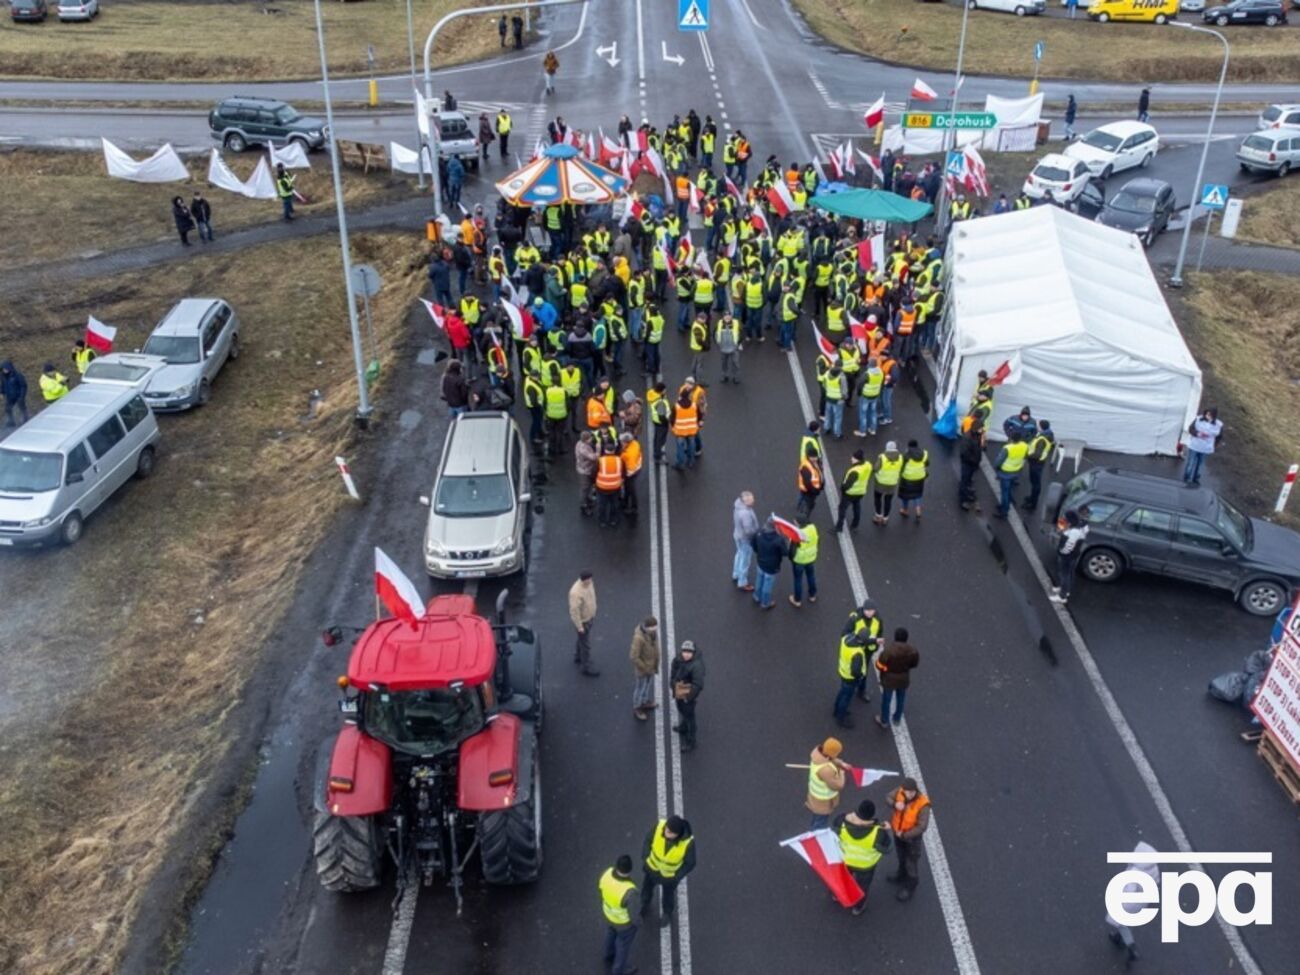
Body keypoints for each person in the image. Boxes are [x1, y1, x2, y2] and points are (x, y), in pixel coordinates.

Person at [835, 800, 893, 916]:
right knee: (862, 887)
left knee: (843, 879)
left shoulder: (842, 822)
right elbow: (888, 848)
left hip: (845, 860)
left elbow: (834, 826)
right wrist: (887, 831)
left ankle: (838, 895)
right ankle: (858, 907)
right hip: (865, 867)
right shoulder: (878, 832)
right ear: (872, 816)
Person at [1105, 842, 1159, 964]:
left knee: (1120, 922)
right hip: (1142, 901)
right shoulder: (1153, 868)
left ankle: (1130, 945)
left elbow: (1129, 888)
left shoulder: (1135, 871)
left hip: (1130, 901)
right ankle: (1119, 938)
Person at [641, 815, 696, 926]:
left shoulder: (687, 843)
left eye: (670, 832)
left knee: (668, 895)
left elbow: (690, 863)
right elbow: (648, 841)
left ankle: (667, 913)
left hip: (669, 876)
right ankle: (644, 905)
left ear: (678, 834)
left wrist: (676, 876)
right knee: (646, 889)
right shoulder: (659, 827)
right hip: (652, 869)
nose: (666, 833)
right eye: (667, 829)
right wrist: (646, 858)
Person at [886, 777, 930, 902]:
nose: (908, 794)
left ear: (916, 790)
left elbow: (922, 827)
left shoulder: (923, 804)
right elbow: (888, 797)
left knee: (911, 862)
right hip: (898, 834)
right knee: (901, 857)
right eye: (906, 791)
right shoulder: (900, 791)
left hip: (911, 840)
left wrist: (905, 835)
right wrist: (894, 804)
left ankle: (910, 886)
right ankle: (901, 875)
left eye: (911, 792)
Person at [599, 855, 640, 975]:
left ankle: (608, 955)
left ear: (616, 866)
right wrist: (638, 923)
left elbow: (600, 890)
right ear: (630, 870)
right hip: (624, 923)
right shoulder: (630, 891)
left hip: (608, 914)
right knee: (622, 946)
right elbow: (634, 913)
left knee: (610, 934)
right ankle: (619, 970)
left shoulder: (606, 874)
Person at [875, 627, 919, 730]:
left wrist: (885, 669)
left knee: (887, 700)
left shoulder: (888, 651)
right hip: (903, 678)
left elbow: (879, 665)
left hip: (889, 679)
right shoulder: (913, 651)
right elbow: (914, 664)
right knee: (901, 698)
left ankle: (884, 720)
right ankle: (897, 718)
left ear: (895, 637)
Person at [805, 737, 848, 831]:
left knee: (817, 817)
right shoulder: (826, 770)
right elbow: (838, 785)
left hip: (815, 797)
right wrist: (841, 773)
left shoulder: (818, 756)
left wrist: (841, 763)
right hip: (823, 801)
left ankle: (813, 829)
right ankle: (816, 836)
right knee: (820, 823)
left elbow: (830, 759)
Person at [833, 627, 871, 729]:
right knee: (846, 698)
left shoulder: (847, 638)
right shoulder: (857, 652)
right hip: (850, 678)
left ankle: (836, 710)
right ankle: (841, 718)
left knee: (842, 692)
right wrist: (859, 677)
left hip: (843, 671)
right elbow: (855, 671)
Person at [670, 640, 704, 752]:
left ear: (693, 653)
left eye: (689, 652)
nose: (686, 654)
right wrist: (673, 685)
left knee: (690, 718)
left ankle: (691, 741)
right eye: (685, 651)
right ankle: (683, 728)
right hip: (679, 691)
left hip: (687, 695)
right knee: (682, 711)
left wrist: (688, 697)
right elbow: (673, 672)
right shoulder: (678, 659)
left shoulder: (697, 666)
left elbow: (697, 684)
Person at [1050, 510, 1090, 606]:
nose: (1063, 520)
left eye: (1065, 519)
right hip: (1074, 555)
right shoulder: (1081, 528)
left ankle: (1062, 596)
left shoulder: (1073, 532)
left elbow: (1069, 545)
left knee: (1065, 575)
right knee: (1070, 573)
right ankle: (1066, 589)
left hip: (1067, 556)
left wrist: (1062, 552)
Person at [751, 517, 789, 610]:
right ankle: (765, 603)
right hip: (772, 567)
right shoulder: (779, 539)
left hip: (760, 562)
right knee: (767, 585)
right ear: (775, 527)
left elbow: (754, 545)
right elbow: (785, 553)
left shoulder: (759, 533)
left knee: (759, 580)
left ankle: (756, 596)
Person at [569, 570, 599, 677]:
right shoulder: (576, 593)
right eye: (589, 579)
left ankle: (578, 656)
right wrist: (579, 626)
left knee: (581, 639)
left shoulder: (589, 584)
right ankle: (586, 667)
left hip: (589, 618)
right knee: (586, 645)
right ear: (585, 580)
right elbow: (574, 611)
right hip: (583, 622)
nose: (591, 581)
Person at [834, 450, 873, 532]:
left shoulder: (855, 471)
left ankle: (839, 527)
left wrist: (842, 488)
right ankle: (855, 524)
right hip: (861, 491)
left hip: (850, 493)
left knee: (842, 509)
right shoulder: (868, 465)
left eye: (853, 457)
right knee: (857, 507)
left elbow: (848, 485)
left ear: (857, 459)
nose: (851, 459)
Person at [630, 616, 660, 721]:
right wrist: (644, 667)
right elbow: (634, 656)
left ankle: (644, 701)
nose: (656, 629)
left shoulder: (652, 634)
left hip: (650, 667)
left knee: (647, 685)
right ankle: (637, 707)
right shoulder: (639, 638)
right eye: (654, 627)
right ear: (648, 628)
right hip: (643, 669)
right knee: (639, 688)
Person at [1183, 407, 1222, 485]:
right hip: (1195, 445)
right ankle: (1187, 477)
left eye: (1210, 415)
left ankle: (1195, 478)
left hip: (1206, 447)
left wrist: (1215, 445)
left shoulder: (1218, 424)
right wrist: (1197, 434)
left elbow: (1219, 436)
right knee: (1191, 462)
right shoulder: (1198, 419)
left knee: (1200, 464)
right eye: (1207, 414)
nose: (1208, 416)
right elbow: (1191, 429)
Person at [994, 430, 1029, 518]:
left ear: (1011, 439)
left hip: (1006, 471)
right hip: (1016, 469)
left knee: (1004, 491)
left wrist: (996, 467)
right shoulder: (1024, 445)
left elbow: (999, 460)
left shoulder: (1008, 448)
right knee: (1008, 488)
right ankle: (1010, 501)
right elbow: (1025, 456)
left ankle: (1004, 510)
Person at [1024, 418, 1055, 510]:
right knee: (1035, 483)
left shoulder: (1042, 438)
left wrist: (1027, 455)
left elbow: (1037, 453)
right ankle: (1032, 498)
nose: (1037, 426)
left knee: (1035, 484)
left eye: (1038, 425)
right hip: (1040, 462)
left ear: (1041, 427)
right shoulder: (1048, 435)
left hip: (1036, 462)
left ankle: (1033, 503)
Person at [788, 515, 819, 608]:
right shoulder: (813, 528)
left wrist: (791, 558)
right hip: (811, 557)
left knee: (798, 579)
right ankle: (812, 595)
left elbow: (792, 550)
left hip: (799, 560)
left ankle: (797, 600)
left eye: (795, 522)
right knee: (811, 576)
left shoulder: (797, 534)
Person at [732, 490, 759, 591]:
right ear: (746, 502)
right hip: (745, 539)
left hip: (737, 535)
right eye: (751, 500)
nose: (754, 501)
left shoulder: (738, 506)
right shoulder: (745, 514)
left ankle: (736, 574)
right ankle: (742, 582)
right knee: (745, 560)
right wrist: (756, 533)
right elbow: (748, 531)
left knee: (739, 554)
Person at [595, 444, 625, 529]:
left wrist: (594, 482)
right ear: (614, 451)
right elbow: (623, 472)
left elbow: (594, 472)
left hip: (602, 486)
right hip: (615, 486)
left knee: (602, 504)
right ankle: (613, 520)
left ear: (605, 451)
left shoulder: (600, 460)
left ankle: (602, 521)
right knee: (614, 503)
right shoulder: (619, 460)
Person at [897, 439, 928, 520]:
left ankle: (905, 509)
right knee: (917, 493)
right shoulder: (924, 453)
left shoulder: (906, 455)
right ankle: (918, 509)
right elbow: (927, 463)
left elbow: (901, 466)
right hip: (920, 477)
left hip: (907, 477)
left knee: (905, 495)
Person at [958, 418, 984, 512]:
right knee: (964, 481)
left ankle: (967, 495)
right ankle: (963, 500)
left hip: (973, 462)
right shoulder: (967, 437)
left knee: (968, 480)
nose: (982, 430)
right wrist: (974, 460)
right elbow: (964, 453)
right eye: (981, 428)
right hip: (968, 463)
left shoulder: (977, 435)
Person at [873, 441, 902, 525]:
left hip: (880, 482)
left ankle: (878, 516)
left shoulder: (882, 457)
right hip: (892, 482)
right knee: (888, 501)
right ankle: (885, 518)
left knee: (878, 499)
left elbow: (875, 468)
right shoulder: (900, 457)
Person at [670, 388, 698, 470]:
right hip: (691, 430)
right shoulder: (694, 405)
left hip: (680, 431)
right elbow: (699, 415)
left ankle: (680, 463)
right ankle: (691, 461)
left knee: (680, 448)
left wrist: (672, 427)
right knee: (691, 446)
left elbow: (672, 419)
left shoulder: (676, 406)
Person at [575, 431, 599, 515]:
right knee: (585, 488)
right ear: (586, 440)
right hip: (585, 471)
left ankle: (588, 499)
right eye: (590, 438)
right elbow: (593, 458)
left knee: (588, 486)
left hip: (585, 468)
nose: (592, 439)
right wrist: (598, 449)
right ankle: (584, 505)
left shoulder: (579, 443)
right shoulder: (583, 449)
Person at [796, 452, 823, 522]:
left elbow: (819, 474)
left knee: (806, 502)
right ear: (808, 457)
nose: (814, 459)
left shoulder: (817, 463)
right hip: (809, 491)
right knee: (806, 505)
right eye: (812, 457)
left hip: (813, 491)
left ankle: (801, 512)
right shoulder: (806, 467)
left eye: (815, 457)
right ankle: (802, 519)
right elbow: (807, 483)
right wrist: (815, 490)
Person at [715, 312, 742, 384]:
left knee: (735, 363)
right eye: (725, 316)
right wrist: (718, 344)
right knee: (724, 363)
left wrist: (737, 344)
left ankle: (736, 377)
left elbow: (741, 334)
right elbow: (715, 333)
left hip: (734, 348)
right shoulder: (719, 324)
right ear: (723, 317)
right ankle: (724, 376)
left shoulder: (736, 324)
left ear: (731, 317)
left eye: (729, 316)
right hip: (723, 348)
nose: (727, 317)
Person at [2, 361, 29, 427]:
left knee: (22, 407)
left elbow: (23, 386)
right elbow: (3, 385)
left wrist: (22, 396)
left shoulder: (18, 375)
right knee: (8, 408)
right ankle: (11, 421)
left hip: (18, 395)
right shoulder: (3, 376)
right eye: (3, 369)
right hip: (10, 396)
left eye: (5, 369)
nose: (4, 370)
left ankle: (26, 419)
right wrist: (1, 392)